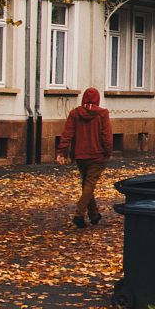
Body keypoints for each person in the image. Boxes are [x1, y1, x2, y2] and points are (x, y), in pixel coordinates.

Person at [57, 86, 114, 229]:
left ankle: (94, 215)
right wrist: (108, 152)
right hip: (97, 155)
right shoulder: (102, 114)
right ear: (98, 99)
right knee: (89, 185)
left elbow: (67, 133)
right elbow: (106, 135)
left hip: (81, 155)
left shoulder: (75, 113)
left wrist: (60, 152)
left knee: (86, 185)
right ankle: (78, 215)